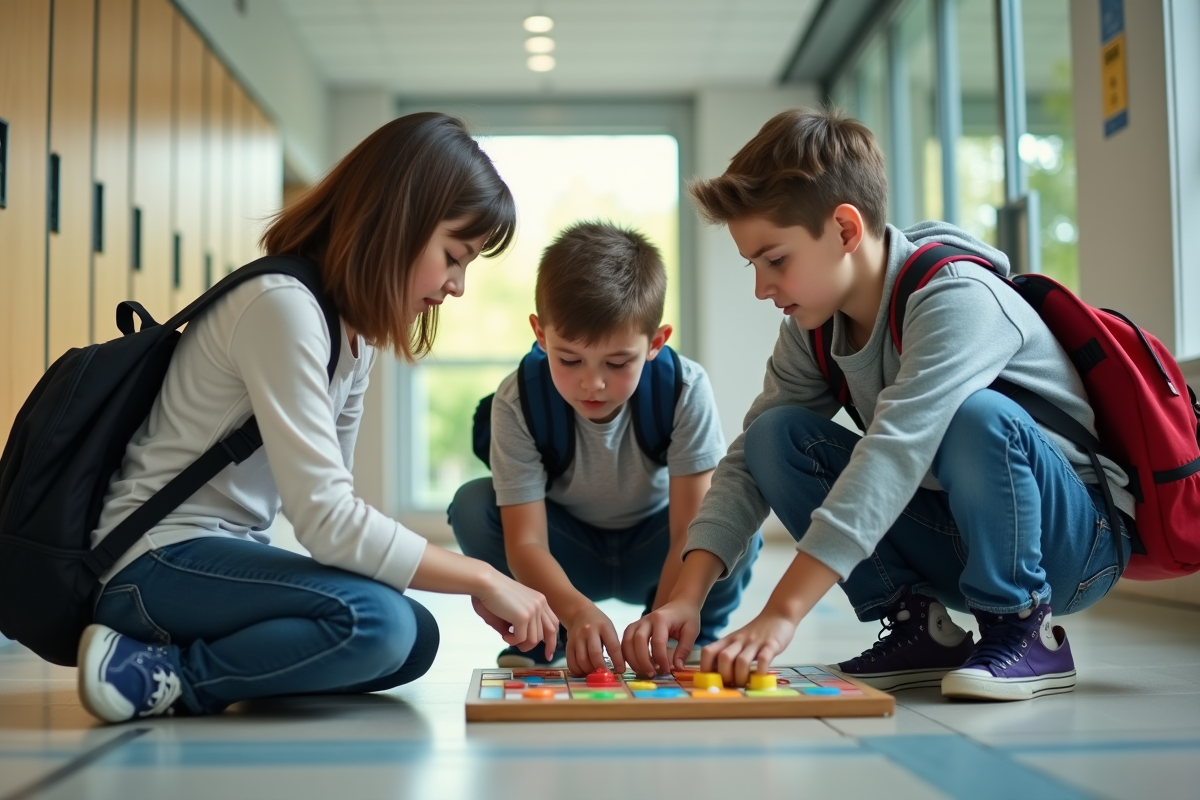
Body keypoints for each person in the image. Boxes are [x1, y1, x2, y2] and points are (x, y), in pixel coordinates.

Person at [623, 108, 1135, 701]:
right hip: (961, 532)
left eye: (775, 260)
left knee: (976, 415)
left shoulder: (955, 298)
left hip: (1075, 541)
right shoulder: (813, 326)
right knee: (772, 437)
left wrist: (783, 612)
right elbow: (745, 465)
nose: (762, 288)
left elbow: (894, 452)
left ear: (844, 229)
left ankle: (1024, 627)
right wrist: (687, 596)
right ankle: (923, 630)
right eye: (753, 265)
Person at [76, 113, 559, 723]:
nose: (458, 286)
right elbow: (328, 522)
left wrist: (456, 582)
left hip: (213, 559)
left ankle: (202, 657)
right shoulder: (283, 307)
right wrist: (482, 577)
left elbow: (334, 508)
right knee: (376, 623)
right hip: (152, 563)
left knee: (415, 637)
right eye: (453, 256)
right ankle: (167, 675)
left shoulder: (355, 339)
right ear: (399, 221)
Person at [450, 222, 759, 675]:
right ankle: (545, 634)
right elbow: (527, 542)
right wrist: (576, 613)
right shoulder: (517, 399)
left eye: (617, 363)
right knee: (473, 505)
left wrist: (661, 620)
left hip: (657, 550)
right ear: (540, 334)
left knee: (732, 516)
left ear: (655, 343)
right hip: (566, 552)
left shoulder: (684, 388)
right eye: (569, 359)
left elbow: (689, 529)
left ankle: (689, 633)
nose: (591, 382)